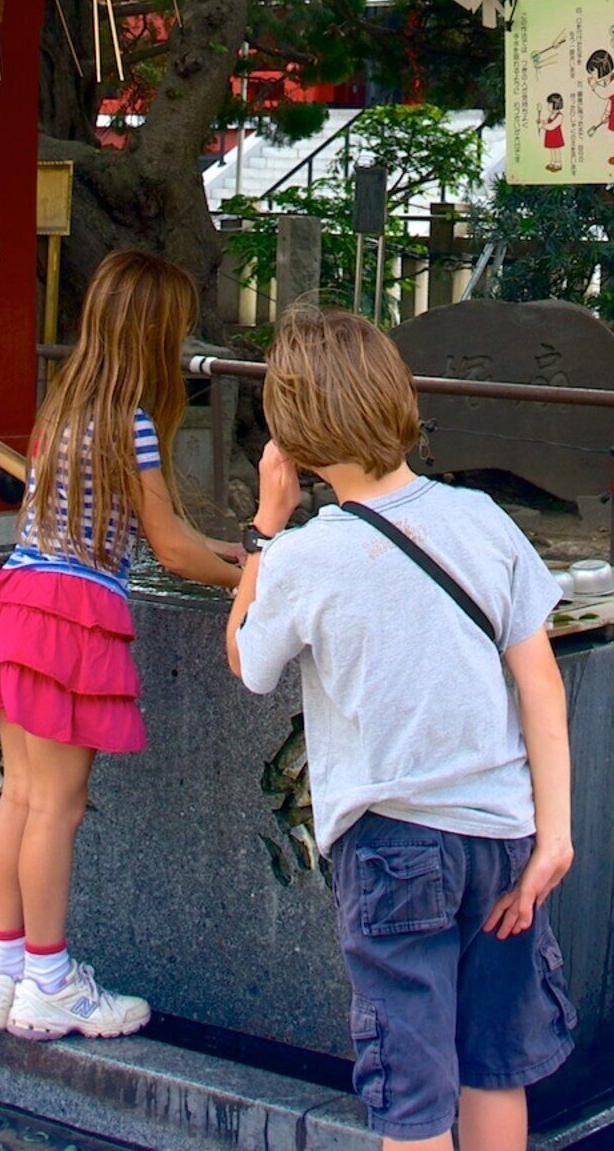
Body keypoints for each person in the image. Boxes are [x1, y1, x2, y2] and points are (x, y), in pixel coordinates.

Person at [227, 307, 574, 1151]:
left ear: (298, 441)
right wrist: (554, 837)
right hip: (505, 834)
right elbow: (541, 686)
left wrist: (264, 529)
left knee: (413, 1100)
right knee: (495, 1068)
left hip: (393, 849)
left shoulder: (306, 556)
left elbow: (245, 660)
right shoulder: (483, 519)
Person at [0, 250, 244, 1041]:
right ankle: (51, 983)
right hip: (70, 615)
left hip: (18, 600)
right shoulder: (134, 423)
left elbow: (170, 537)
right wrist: (249, 578)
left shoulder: (66, 408)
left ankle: (7, 976)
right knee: (57, 804)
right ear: (153, 333)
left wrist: (232, 553)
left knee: (18, 796)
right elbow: (172, 549)